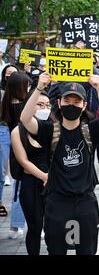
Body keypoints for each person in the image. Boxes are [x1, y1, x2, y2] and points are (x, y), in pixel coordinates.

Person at [20, 72, 99, 255]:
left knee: (86, 250)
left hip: (85, 203)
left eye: (76, 102)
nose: (71, 106)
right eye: (67, 101)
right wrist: (40, 88)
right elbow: (25, 119)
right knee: (57, 250)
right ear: (59, 103)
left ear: (84, 106)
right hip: (57, 203)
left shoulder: (91, 130)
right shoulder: (49, 130)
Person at [11, 90, 52, 254]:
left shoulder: (53, 128)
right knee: (35, 227)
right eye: (40, 104)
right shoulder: (17, 131)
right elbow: (23, 161)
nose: (44, 108)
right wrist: (44, 176)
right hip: (31, 184)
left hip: (54, 184)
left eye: (48, 105)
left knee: (53, 227)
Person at [0, 71, 31, 239]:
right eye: (27, 86)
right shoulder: (20, 105)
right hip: (24, 149)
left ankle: (16, 225)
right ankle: (17, 225)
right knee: (20, 189)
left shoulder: (7, 101)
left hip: (17, 150)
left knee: (18, 189)